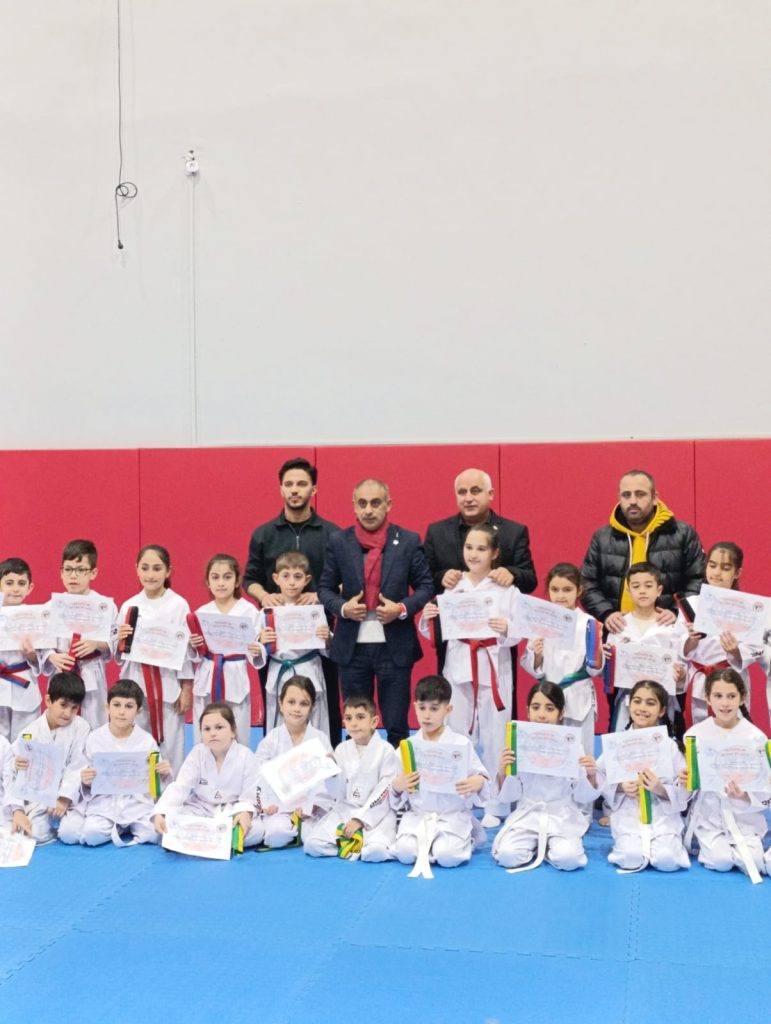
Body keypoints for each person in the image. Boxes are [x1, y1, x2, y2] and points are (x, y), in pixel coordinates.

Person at [319, 478, 434, 746]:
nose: (368, 510)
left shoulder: (407, 541)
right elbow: (325, 588)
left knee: (396, 724)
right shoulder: (339, 541)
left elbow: (426, 586)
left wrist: (401, 609)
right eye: (362, 504)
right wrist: (344, 608)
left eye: (375, 503)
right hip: (351, 646)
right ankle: (357, 772)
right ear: (354, 506)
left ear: (388, 504)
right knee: (356, 725)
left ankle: (398, 773)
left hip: (395, 646)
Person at [419, 524, 520, 827]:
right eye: (469, 548)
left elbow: (520, 631)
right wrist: (429, 619)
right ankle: (457, 798)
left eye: (481, 549)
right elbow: (435, 633)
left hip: (493, 665)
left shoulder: (507, 590)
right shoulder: (453, 587)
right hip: (459, 664)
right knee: (456, 732)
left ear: (495, 553)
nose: (474, 554)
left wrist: (507, 629)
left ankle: (495, 802)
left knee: (495, 733)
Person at [243, 457, 342, 743]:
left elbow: (346, 579)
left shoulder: (333, 534)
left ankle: (328, 759)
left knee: (325, 704)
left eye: (301, 484)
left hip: (318, 635)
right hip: (277, 639)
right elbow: (249, 580)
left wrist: (322, 594)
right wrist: (265, 596)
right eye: (289, 484)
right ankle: (275, 759)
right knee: (276, 704)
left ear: (314, 489)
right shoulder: (264, 534)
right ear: (281, 489)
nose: (295, 490)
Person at [423, 468, 536, 706]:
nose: (468, 498)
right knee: (454, 704)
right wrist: (442, 576)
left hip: (495, 640)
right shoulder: (437, 531)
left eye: (475, 491)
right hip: (455, 637)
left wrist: (512, 573)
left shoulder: (513, 531)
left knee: (499, 707)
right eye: (462, 492)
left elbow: (530, 579)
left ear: (490, 494)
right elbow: (424, 578)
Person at [492, 681, 598, 871]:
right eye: (536, 707)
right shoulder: (518, 743)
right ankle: (536, 846)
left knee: (569, 860)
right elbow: (510, 796)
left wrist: (590, 775)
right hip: (528, 813)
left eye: (550, 708)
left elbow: (582, 796)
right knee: (508, 856)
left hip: (561, 815)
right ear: (527, 711)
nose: (541, 714)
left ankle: (550, 849)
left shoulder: (573, 745)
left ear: (561, 713)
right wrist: (502, 772)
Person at [581, 469, 704, 632]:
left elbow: (698, 580)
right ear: (619, 498)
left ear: (655, 498)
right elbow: (586, 583)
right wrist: (606, 613)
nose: (633, 501)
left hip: (667, 631)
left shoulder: (683, 534)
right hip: (617, 633)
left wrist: (677, 612)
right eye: (626, 495)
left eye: (640, 494)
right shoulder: (602, 537)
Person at [391, 675, 489, 869]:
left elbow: (482, 776)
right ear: (414, 707)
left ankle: (467, 838)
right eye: (422, 708)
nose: (427, 715)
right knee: (405, 853)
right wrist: (397, 785)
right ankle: (429, 846)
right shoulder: (407, 747)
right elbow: (393, 787)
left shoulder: (461, 744)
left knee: (447, 857)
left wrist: (477, 782)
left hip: (451, 816)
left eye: (434, 709)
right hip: (419, 815)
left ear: (448, 709)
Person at [59, 679, 173, 847]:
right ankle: (119, 827)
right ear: (107, 707)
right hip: (105, 801)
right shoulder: (94, 738)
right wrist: (86, 781)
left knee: (156, 835)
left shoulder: (146, 740)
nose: (121, 712)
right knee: (91, 835)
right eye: (116, 705)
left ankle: (125, 827)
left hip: (136, 802)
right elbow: (84, 775)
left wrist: (163, 772)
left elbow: (157, 784)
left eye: (129, 706)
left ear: (139, 711)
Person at [681, 669, 770, 878]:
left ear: (742, 697)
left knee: (754, 862)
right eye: (718, 696)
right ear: (707, 698)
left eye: (731, 696)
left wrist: (744, 795)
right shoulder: (695, 735)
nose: (725, 703)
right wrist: (686, 781)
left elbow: (765, 788)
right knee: (721, 861)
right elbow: (687, 789)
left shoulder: (756, 738)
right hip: (709, 815)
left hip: (744, 816)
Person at [115, 545, 193, 774]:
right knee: (136, 743)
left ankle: (172, 790)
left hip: (168, 685)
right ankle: (137, 789)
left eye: (157, 568)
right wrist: (119, 640)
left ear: (168, 571)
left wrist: (187, 688)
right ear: (136, 569)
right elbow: (119, 654)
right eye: (145, 568)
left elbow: (185, 651)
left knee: (171, 745)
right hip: (135, 683)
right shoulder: (129, 606)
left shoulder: (179, 605)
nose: (150, 575)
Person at [596, 680, 690, 872]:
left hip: (662, 814)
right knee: (630, 858)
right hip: (628, 813)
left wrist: (661, 789)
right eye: (637, 701)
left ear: (662, 711)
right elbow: (598, 776)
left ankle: (668, 843)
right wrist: (620, 787)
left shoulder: (670, 746)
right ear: (629, 704)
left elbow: (686, 789)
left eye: (650, 703)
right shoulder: (617, 743)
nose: (642, 708)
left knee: (666, 860)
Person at [302, 694, 400, 861]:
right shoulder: (341, 749)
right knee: (312, 845)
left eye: (360, 717)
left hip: (376, 814)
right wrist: (332, 773)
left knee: (374, 853)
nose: (354, 723)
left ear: (374, 722)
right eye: (348, 718)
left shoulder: (386, 750)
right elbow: (337, 794)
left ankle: (360, 843)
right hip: (345, 810)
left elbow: (384, 791)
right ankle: (352, 845)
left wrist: (360, 820)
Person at [520, 562, 604, 757]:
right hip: (548, 697)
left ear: (579, 590)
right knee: (548, 753)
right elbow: (530, 665)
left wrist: (597, 651)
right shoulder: (541, 620)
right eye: (555, 589)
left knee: (581, 755)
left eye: (567, 589)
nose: (560, 595)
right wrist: (537, 655)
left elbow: (595, 670)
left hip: (578, 696)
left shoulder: (589, 623)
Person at [153, 702, 263, 849]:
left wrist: (245, 813)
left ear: (233, 731)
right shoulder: (197, 753)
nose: (212, 733)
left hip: (232, 808)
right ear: (201, 734)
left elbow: (250, 794)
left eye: (219, 727)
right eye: (207, 729)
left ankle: (205, 838)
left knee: (257, 831)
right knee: (170, 823)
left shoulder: (246, 756)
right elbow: (180, 786)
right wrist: (161, 812)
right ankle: (217, 839)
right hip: (201, 808)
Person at [681, 542, 767, 726]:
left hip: (732, 681)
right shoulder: (691, 603)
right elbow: (679, 647)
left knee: (734, 733)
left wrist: (736, 651)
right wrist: (690, 641)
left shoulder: (748, 608)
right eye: (712, 565)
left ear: (737, 573)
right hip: (699, 681)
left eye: (725, 568)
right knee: (697, 735)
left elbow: (757, 649)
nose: (717, 573)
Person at [41, 540, 117, 730]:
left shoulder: (105, 606)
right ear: (61, 572)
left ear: (93, 572)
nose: (73, 575)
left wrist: (97, 644)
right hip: (62, 672)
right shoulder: (50, 607)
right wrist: (51, 656)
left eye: (81, 570)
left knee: (94, 724)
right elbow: (42, 643)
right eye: (68, 569)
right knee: (60, 724)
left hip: (91, 672)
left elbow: (114, 642)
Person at [6, 672, 89, 845]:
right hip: (40, 797)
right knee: (31, 834)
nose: (68, 713)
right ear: (49, 700)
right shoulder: (30, 732)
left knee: (70, 833)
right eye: (63, 705)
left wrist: (64, 798)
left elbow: (77, 765)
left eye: (74, 708)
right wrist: (16, 763)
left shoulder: (81, 727)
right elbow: (11, 771)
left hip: (69, 796)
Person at [605, 562, 687, 733]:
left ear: (659, 590)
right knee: (625, 743)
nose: (642, 591)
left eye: (648, 586)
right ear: (628, 591)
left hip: (660, 701)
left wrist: (680, 676)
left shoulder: (670, 627)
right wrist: (605, 660)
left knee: (660, 744)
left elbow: (681, 668)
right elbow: (607, 675)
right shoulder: (619, 626)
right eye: (636, 586)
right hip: (627, 701)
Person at [188, 554, 262, 744]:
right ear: (208, 582)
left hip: (236, 676)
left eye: (227, 577)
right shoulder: (201, 612)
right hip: (207, 675)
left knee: (238, 732)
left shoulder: (249, 611)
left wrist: (256, 649)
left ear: (237, 581)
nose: (221, 583)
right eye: (215, 577)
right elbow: (195, 655)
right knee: (204, 734)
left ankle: (238, 763)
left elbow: (258, 649)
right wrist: (194, 646)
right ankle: (204, 763)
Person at [257, 551, 331, 737]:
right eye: (286, 576)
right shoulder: (267, 611)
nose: (292, 582)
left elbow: (327, 649)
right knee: (279, 725)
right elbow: (256, 650)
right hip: (279, 670)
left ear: (307, 580)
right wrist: (261, 641)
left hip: (308, 669)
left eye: (297, 577)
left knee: (313, 722)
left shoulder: (314, 610)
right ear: (276, 578)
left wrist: (327, 638)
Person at [253, 677, 334, 849]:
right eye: (291, 702)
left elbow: (327, 784)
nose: (297, 709)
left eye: (304, 704)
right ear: (280, 704)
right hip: (279, 808)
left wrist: (312, 807)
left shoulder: (320, 738)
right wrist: (266, 805)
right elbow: (258, 777)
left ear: (312, 707)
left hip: (310, 810)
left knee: (311, 838)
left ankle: (300, 828)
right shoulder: (271, 739)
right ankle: (289, 827)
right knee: (275, 837)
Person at [0, 557, 42, 741]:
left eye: (21, 583)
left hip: (24, 684)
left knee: (26, 740)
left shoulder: (36, 617)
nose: (15, 589)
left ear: (30, 587)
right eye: (9, 583)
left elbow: (43, 659)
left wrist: (32, 656)